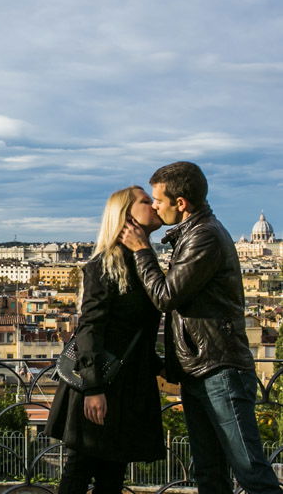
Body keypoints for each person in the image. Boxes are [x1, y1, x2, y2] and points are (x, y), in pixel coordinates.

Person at [120, 161, 281, 494]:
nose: (153, 206)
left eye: (158, 200)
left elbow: (165, 296)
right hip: (202, 368)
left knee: (251, 472)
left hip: (219, 369)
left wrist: (141, 250)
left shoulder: (203, 236)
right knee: (209, 473)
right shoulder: (196, 232)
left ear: (181, 203)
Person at [46, 185, 165, 494]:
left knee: (112, 476)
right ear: (126, 216)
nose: (153, 205)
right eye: (145, 201)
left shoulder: (143, 263)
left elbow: (140, 331)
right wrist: (94, 388)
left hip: (128, 386)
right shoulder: (104, 266)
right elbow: (89, 328)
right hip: (101, 385)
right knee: (79, 471)